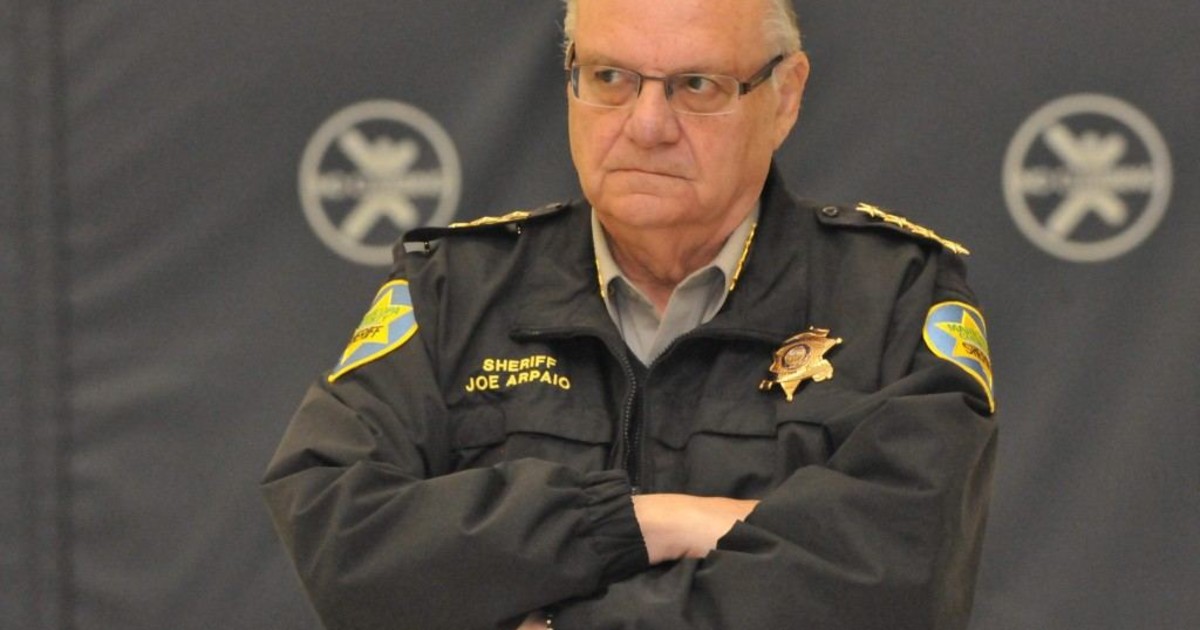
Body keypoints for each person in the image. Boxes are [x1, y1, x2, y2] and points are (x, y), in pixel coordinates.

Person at [262, 0, 998, 628]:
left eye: (696, 85)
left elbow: (896, 580)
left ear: (785, 96)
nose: (646, 125)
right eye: (610, 78)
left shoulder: (893, 296)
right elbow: (339, 531)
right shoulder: (456, 289)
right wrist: (640, 522)